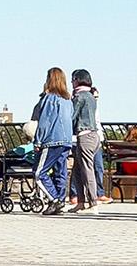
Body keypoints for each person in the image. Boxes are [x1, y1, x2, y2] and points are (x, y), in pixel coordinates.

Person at [28, 68, 75, 215]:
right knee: (60, 172)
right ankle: (59, 199)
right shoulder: (68, 101)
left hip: (52, 140)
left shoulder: (49, 99)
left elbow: (44, 122)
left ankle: (55, 200)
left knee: (39, 173)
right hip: (66, 140)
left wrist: (38, 141)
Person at [68, 69, 102, 214]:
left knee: (87, 170)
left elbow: (72, 116)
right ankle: (81, 202)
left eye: (72, 80)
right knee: (77, 170)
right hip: (94, 136)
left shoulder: (80, 96)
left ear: (77, 80)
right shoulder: (91, 96)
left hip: (85, 136)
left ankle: (93, 203)